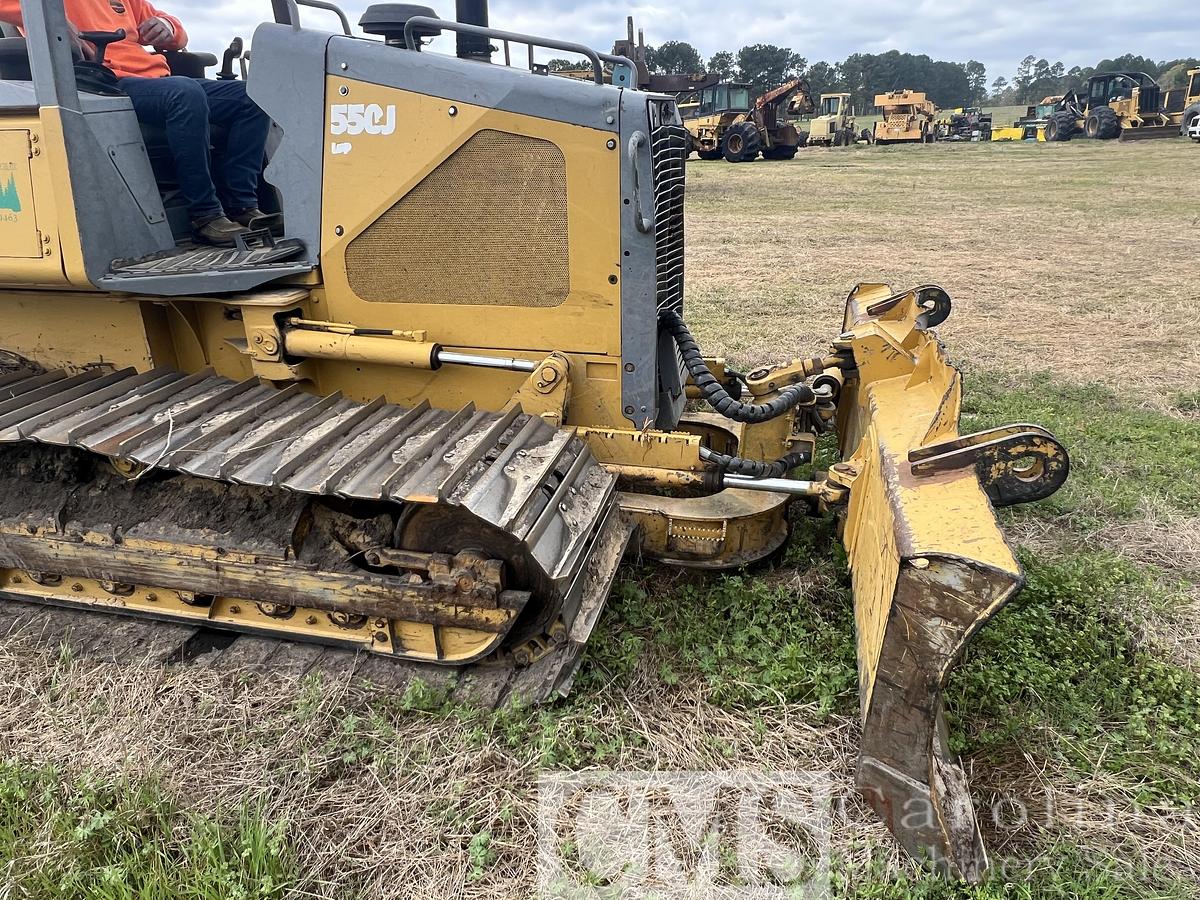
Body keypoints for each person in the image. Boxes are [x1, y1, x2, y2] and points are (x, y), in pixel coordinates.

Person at [0, 0, 272, 246]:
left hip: (155, 81)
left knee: (253, 96)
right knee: (184, 94)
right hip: (100, 80)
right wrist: (50, 20)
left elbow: (172, 29)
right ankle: (205, 215)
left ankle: (242, 205)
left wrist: (166, 27)